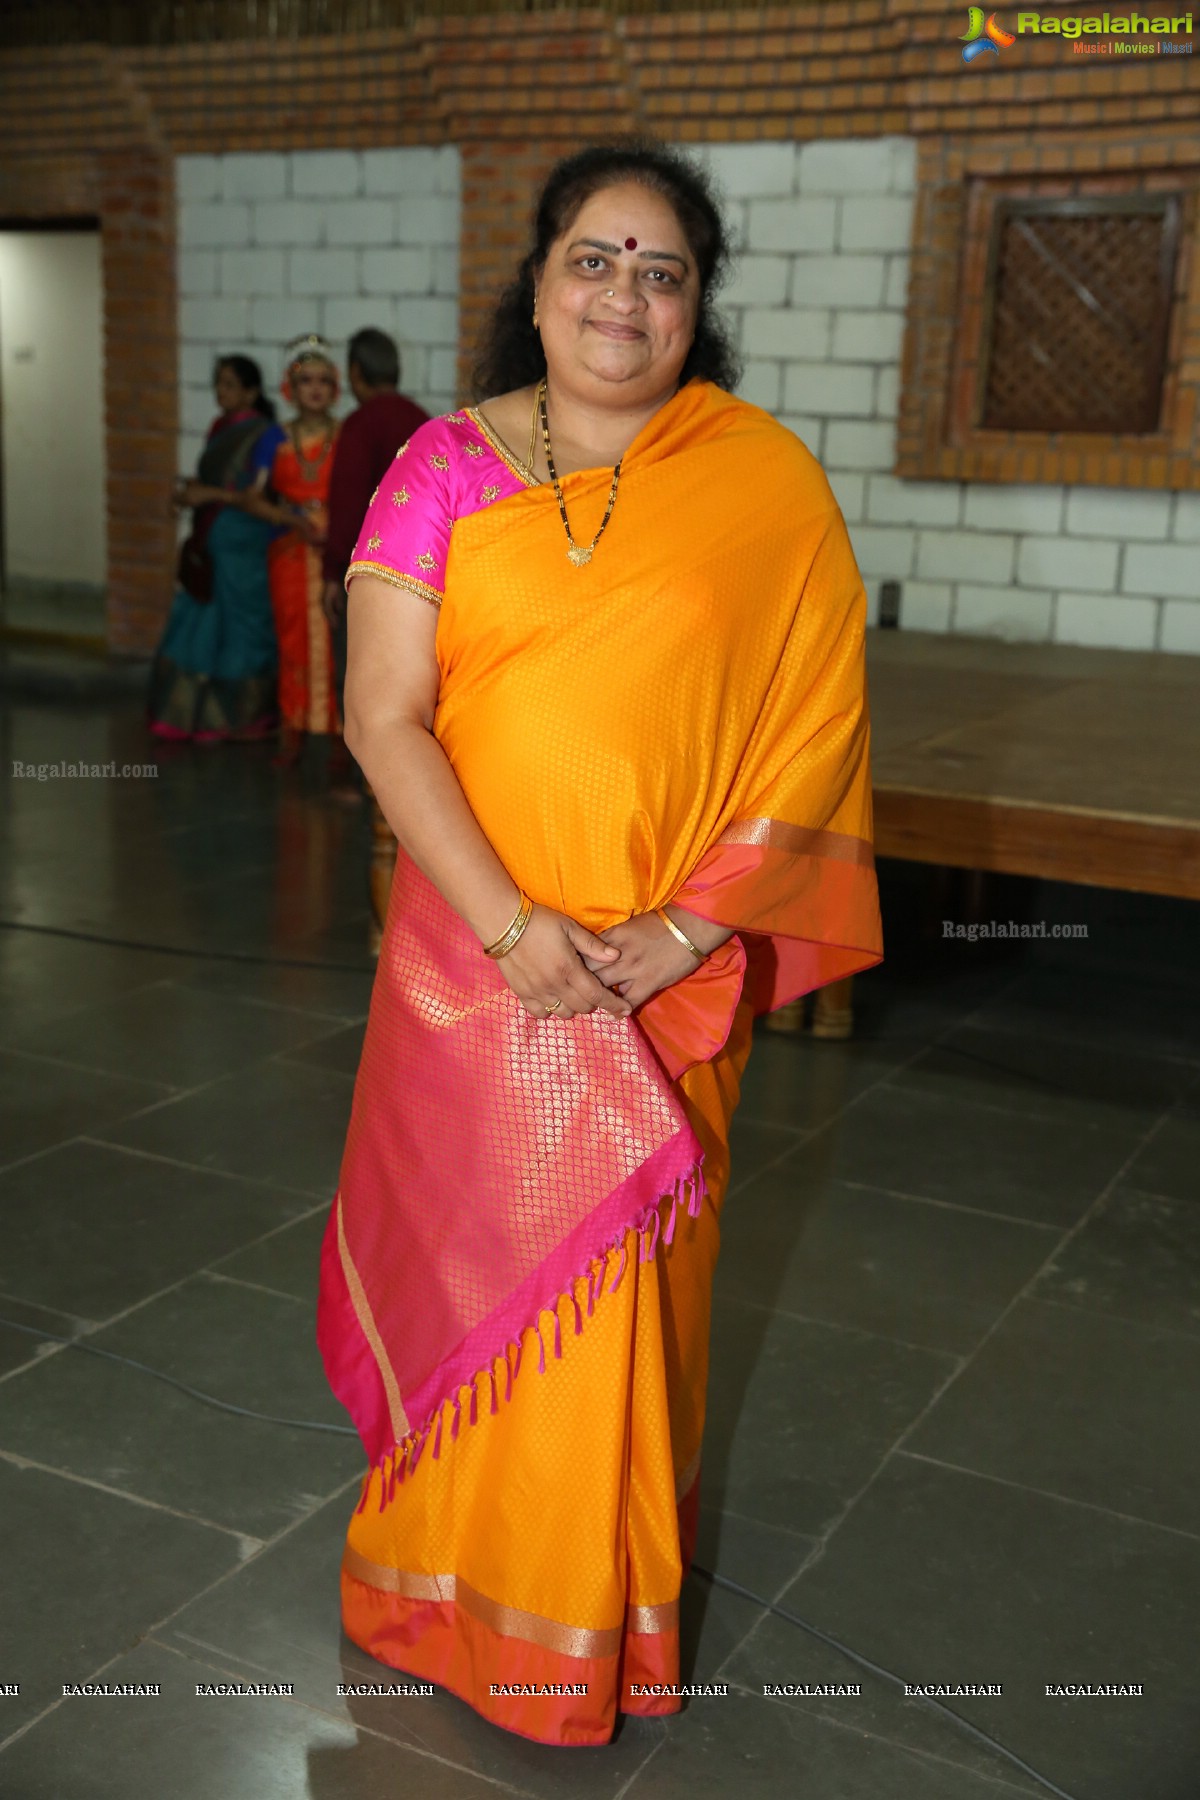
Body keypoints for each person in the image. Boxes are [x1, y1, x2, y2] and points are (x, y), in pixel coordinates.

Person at [316, 142, 883, 1748]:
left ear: (698, 307)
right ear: (538, 281)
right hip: (475, 968)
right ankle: (440, 1591)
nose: (623, 294)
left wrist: (688, 923)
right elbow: (382, 715)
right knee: (480, 1284)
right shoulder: (440, 468)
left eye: (663, 270)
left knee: (631, 1311)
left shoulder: (764, 482)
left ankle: (587, 1628)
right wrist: (518, 931)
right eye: (593, 257)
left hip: (669, 978)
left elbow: (817, 731)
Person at [149, 355, 283, 742]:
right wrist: (189, 490)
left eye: (229, 385)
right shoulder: (219, 428)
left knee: (242, 628)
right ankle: (197, 717)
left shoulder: (266, 434)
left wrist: (205, 494)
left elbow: (256, 497)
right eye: (218, 384)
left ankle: (245, 717)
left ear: (251, 392)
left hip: (245, 542)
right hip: (214, 538)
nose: (221, 392)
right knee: (204, 623)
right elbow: (221, 480)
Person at [320, 326, 429, 731]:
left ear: (354, 373)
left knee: (359, 678)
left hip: (366, 575)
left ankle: (360, 783)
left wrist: (333, 572)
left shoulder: (360, 424)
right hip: (420, 574)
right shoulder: (422, 421)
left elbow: (348, 507)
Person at [242, 334, 342, 769]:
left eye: (323, 380)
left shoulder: (347, 434)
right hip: (289, 550)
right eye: (306, 381)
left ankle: (342, 738)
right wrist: (293, 521)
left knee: (341, 643)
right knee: (292, 640)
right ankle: (292, 729)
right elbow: (253, 498)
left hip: (337, 554)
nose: (315, 389)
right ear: (291, 388)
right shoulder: (273, 438)